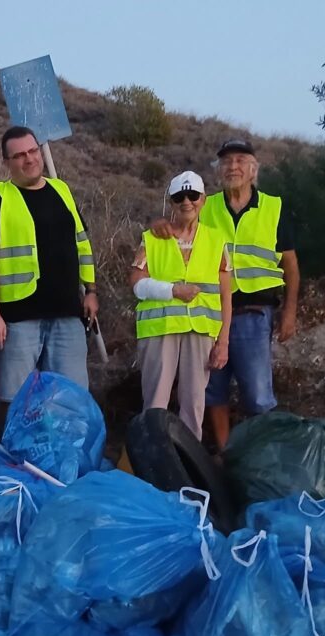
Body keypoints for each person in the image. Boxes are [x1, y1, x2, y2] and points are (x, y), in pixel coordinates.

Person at [154, 138, 299, 450]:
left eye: (240, 161)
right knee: (213, 389)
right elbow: (179, 226)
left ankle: (262, 458)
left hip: (253, 315)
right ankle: (224, 453)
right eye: (227, 161)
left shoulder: (273, 208)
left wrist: (289, 312)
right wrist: (161, 225)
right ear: (219, 170)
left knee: (258, 395)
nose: (233, 166)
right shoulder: (207, 205)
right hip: (211, 314)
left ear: (252, 169)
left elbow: (291, 265)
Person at [0, 126, 98, 405]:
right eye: (19, 155)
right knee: (15, 401)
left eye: (33, 151)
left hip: (67, 314)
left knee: (72, 398)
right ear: (7, 163)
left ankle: (65, 450)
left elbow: (83, 244)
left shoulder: (62, 190)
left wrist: (91, 290)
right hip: (19, 320)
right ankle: (15, 449)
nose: (29, 159)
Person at [131, 171, 232, 440]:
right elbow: (138, 285)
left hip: (200, 332)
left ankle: (188, 468)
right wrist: (173, 291)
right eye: (179, 197)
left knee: (194, 405)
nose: (186, 202)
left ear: (203, 200)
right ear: (171, 201)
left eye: (193, 195)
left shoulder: (216, 240)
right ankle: (151, 462)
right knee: (154, 404)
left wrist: (223, 341)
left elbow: (225, 295)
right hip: (159, 330)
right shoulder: (152, 237)